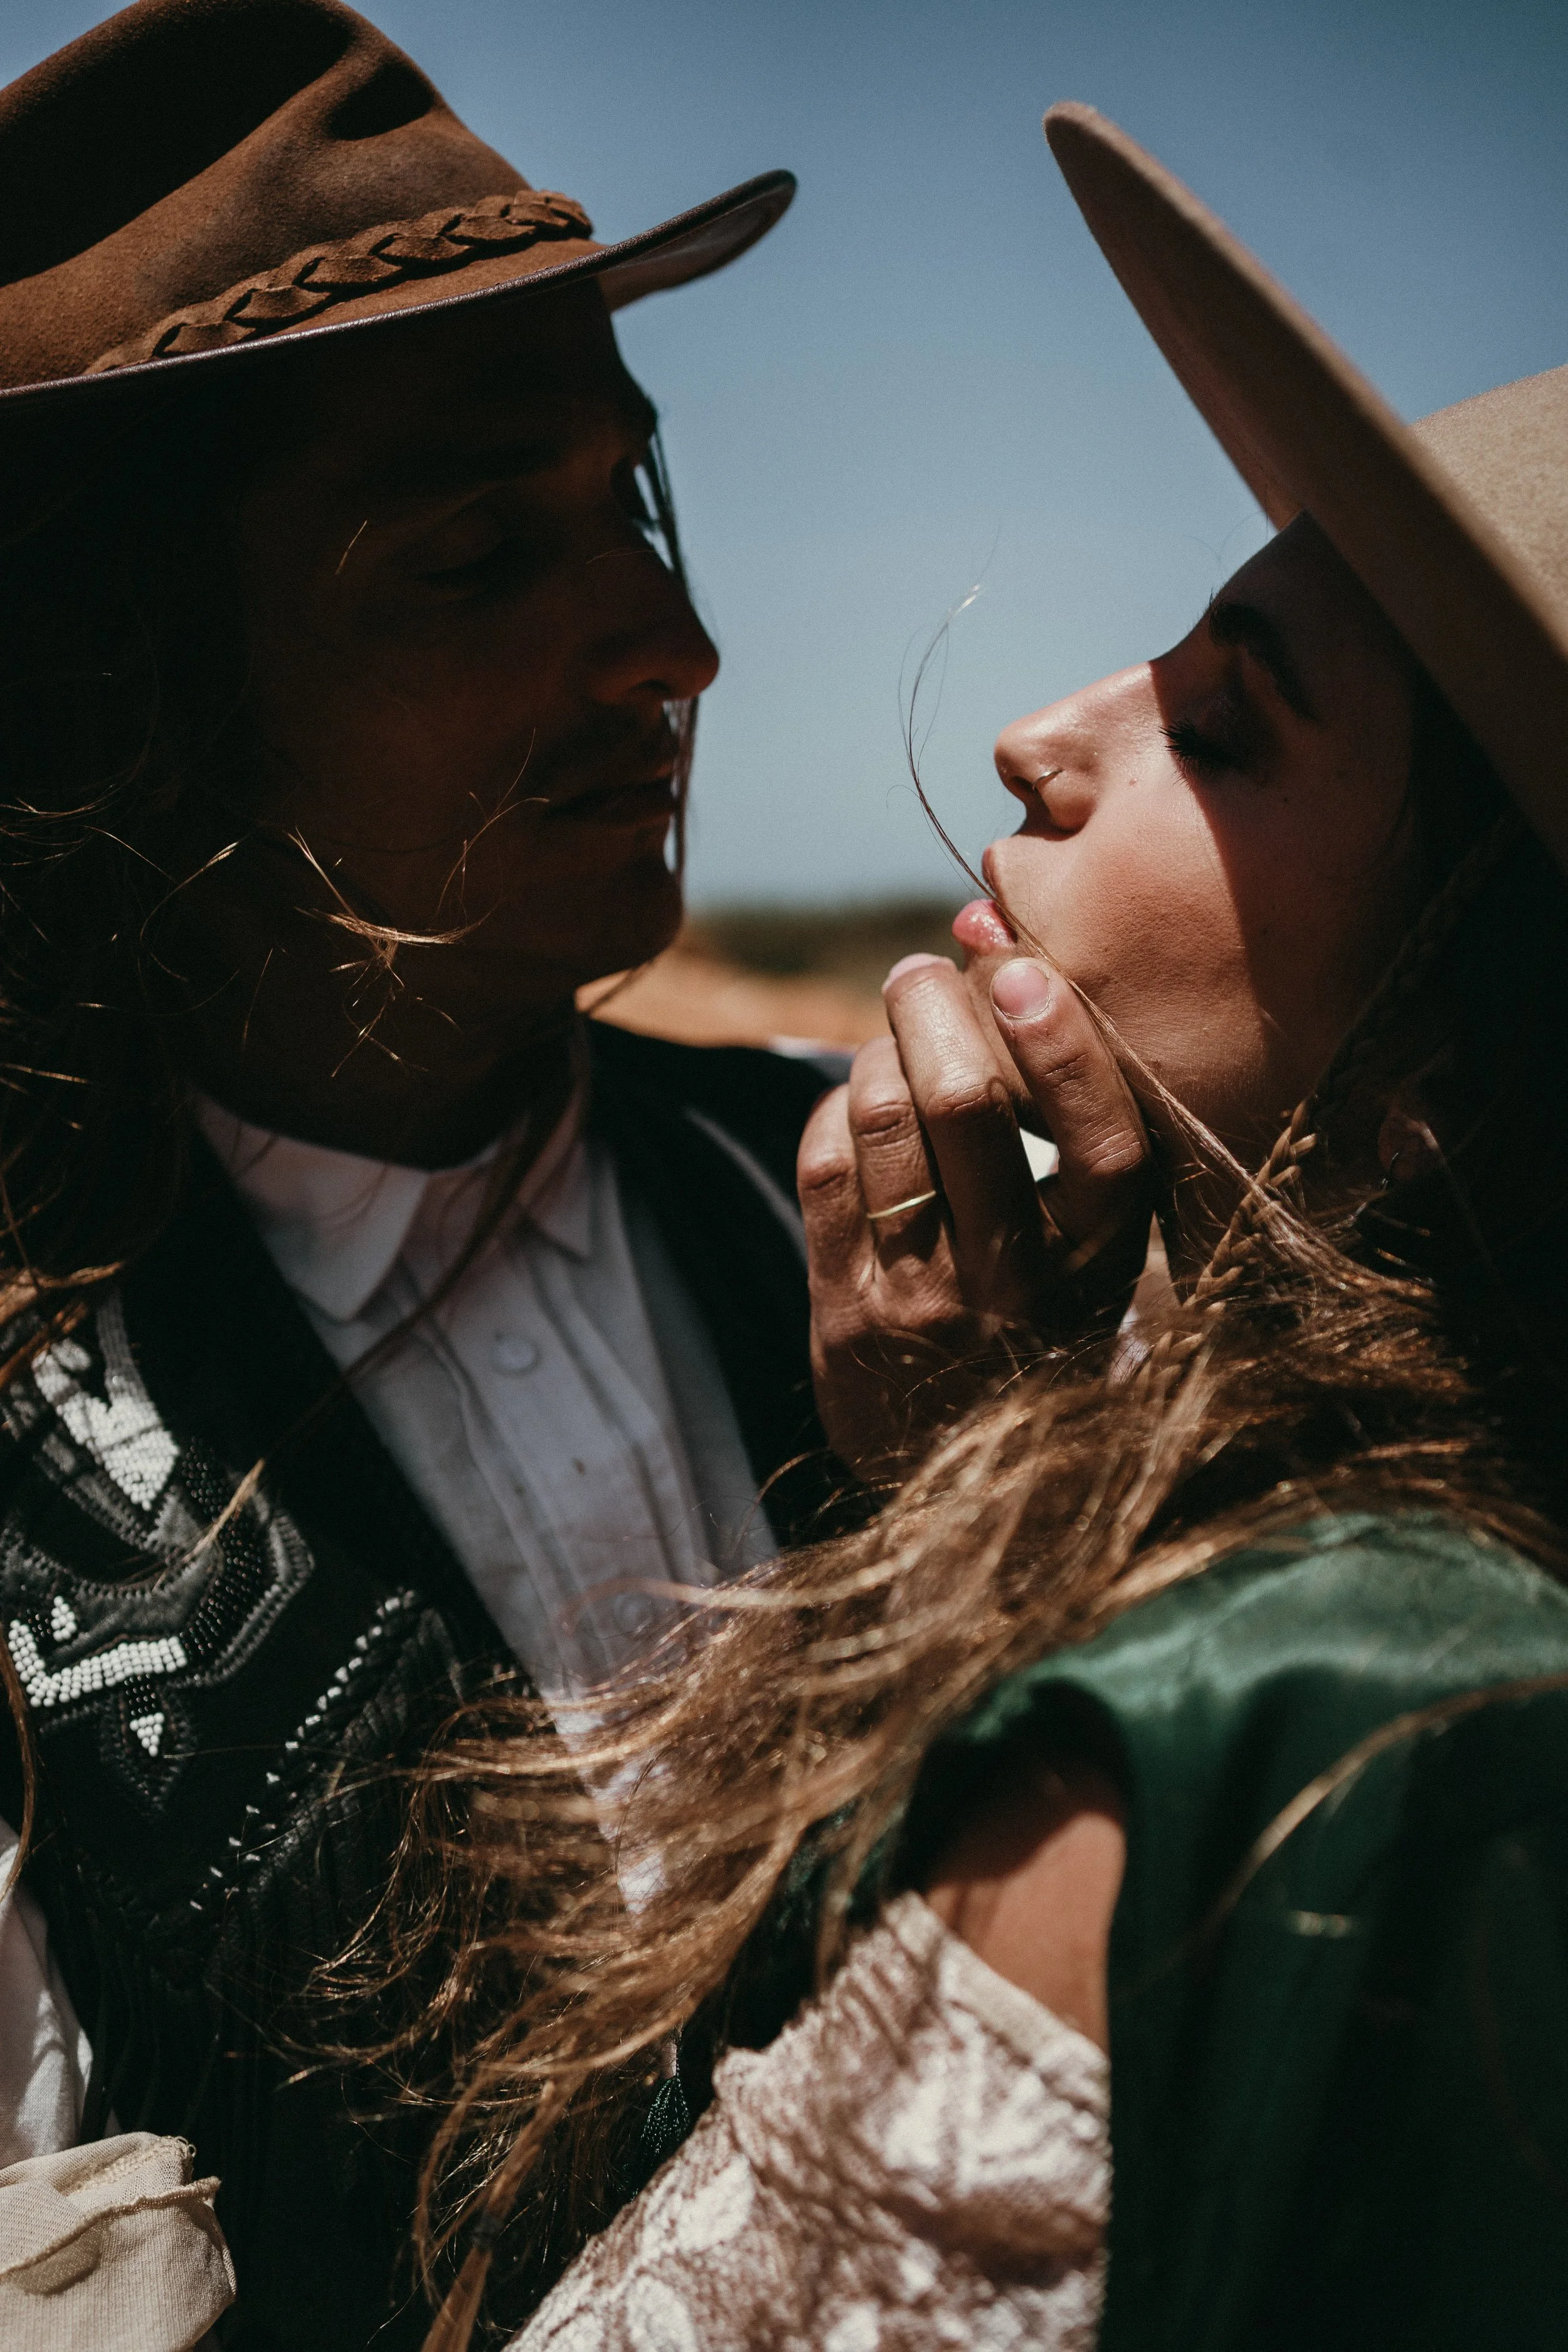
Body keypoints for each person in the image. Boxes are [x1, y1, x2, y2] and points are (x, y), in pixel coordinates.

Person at [381, 105, 1568, 2352]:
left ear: (1448, 1073)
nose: (1039, 731)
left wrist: (964, 1588)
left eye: (1222, 726)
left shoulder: (1285, 1717)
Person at [0, 3, 818, 2346]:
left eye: (631, 508)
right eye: (479, 553)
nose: (676, 645)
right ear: (116, 687)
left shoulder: (854, 1200)